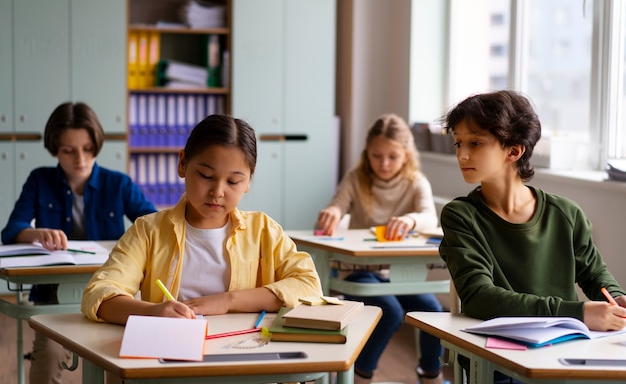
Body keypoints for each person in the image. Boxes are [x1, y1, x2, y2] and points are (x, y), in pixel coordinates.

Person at [439, 90, 626, 384]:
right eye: (459, 143)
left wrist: (615, 297)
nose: (462, 154)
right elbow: (478, 297)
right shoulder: (461, 216)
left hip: (566, 352)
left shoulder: (565, 213)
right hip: (498, 360)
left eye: (475, 143)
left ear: (514, 151)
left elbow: (594, 274)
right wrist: (578, 313)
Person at [81, 113, 322, 327]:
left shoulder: (264, 231)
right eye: (206, 175)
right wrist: (151, 312)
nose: (218, 191)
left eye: (233, 181)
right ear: (183, 163)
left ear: (248, 181)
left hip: (242, 350)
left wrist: (228, 301)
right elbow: (99, 294)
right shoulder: (148, 231)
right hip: (172, 356)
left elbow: (309, 285)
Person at [1, 101, 157, 384]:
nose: (80, 159)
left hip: (111, 290)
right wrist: (36, 234)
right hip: (52, 292)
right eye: (68, 151)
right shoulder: (40, 180)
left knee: (117, 360)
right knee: (47, 358)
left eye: (87, 149)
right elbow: (12, 229)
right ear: (54, 149)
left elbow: (154, 225)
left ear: (97, 144)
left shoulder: (118, 183)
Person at [316, 113, 446, 384]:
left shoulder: (416, 182)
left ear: (406, 155)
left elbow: (429, 217)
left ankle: (431, 374)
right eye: (376, 156)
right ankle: (361, 376)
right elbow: (338, 205)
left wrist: (410, 219)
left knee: (433, 313)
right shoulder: (356, 178)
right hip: (360, 269)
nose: (384, 164)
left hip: (400, 272)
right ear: (367, 153)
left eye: (392, 157)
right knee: (390, 312)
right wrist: (332, 211)